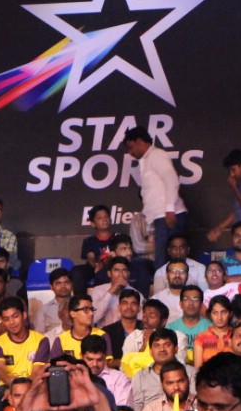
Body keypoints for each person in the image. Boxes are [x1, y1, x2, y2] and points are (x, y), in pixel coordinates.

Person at [124, 127, 187, 268]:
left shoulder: (156, 155)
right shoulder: (145, 161)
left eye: (131, 147)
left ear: (140, 142)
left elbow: (171, 180)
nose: (130, 152)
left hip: (169, 216)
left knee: (167, 263)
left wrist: (170, 209)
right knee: (162, 263)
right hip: (161, 217)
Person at [207, 148, 241, 244]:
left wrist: (234, 187)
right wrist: (219, 229)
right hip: (240, 233)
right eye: (230, 170)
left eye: (233, 169)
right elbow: (237, 213)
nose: (231, 174)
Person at [50, 293, 111, 361]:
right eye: (85, 310)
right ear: (73, 314)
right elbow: (55, 366)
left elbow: (107, 364)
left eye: (92, 309)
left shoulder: (101, 335)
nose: (91, 313)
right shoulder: (61, 340)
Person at [34, 267, 74, 336]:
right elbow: (39, 335)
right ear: (51, 287)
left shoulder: (80, 305)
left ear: (72, 284)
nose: (63, 286)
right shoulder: (44, 310)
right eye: (58, 283)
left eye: (66, 282)